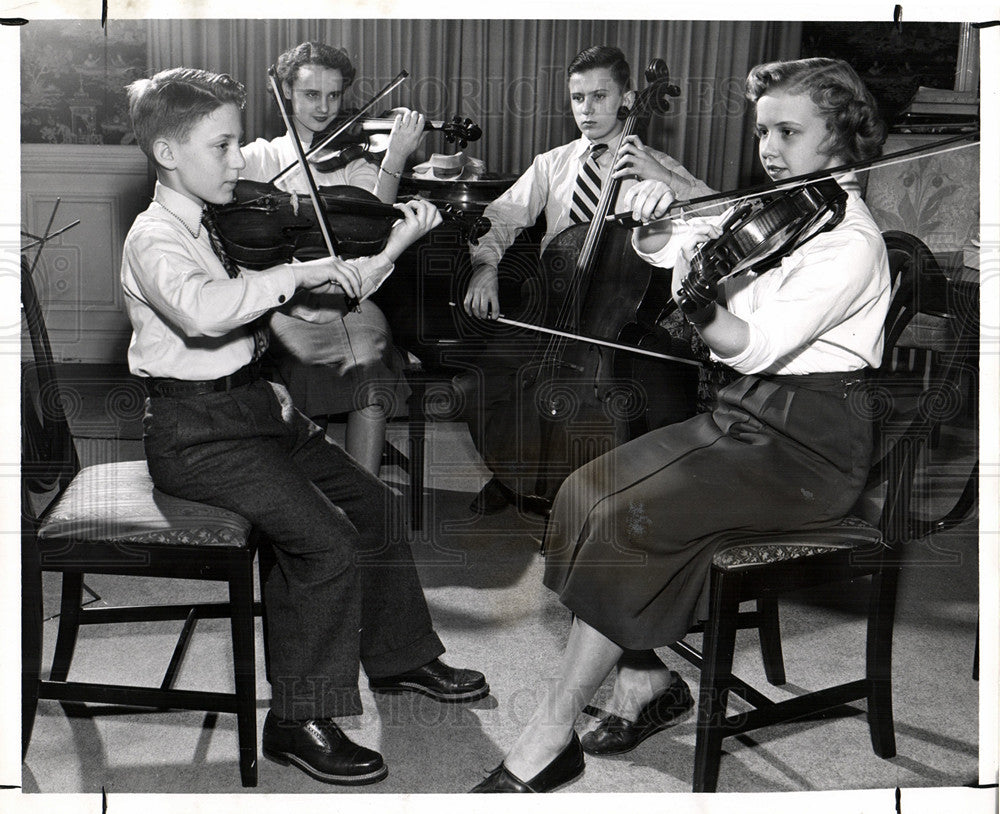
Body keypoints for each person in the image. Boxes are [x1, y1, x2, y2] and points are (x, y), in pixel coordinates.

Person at [470, 56, 889, 792]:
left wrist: (697, 301)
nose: (769, 148)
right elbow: (692, 251)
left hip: (810, 446)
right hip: (742, 414)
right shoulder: (786, 211)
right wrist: (665, 232)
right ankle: (641, 680)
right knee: (579, 492)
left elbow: (753, 340)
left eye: (789, 131)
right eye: (763, 131)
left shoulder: (849, 241)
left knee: (629, 517)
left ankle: (551, 730)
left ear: (843, 135)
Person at [120, 66, 488, 787]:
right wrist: (299, 273)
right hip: (195, 436)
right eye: (221, 146)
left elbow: (323, 297)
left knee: (373, 505)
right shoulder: (154, 237)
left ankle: (401, 654)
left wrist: (388, 250)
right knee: (326, 543)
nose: (238, 161)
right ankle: (296, 717)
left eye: (236, 145)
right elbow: (205, 310)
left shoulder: (223, 222)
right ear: (168, 153)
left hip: (256, 407)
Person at [460, 45, 715, 516]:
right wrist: (485, 266)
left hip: (619, 319)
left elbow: (721, 212)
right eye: (578, 98)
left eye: (600, 96)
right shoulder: (552, 163)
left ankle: (601, 497)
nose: (587, 110)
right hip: (553, 309)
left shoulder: (653, 163)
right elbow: (498, 218)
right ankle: (511, 474)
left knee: (651, 400)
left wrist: (666, 180)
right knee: (485, 379)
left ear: (627, 98)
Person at [241, 41, 428, 473]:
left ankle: (364, 498)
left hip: (351, 299)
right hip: (286, 301)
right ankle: (310, 497)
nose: (324, 107)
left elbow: (375, 225)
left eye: (334, 95)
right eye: (310, 95)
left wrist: (395, 156)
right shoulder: (257, 158)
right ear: (285, 91)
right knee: (304, 369)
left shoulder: (355, 160)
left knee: (369, 367)